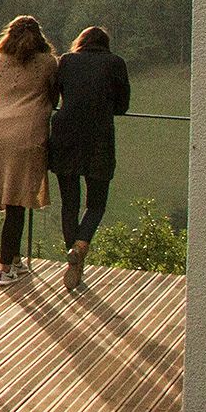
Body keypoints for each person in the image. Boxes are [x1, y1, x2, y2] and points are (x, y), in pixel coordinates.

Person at [49, 25, 131, 294]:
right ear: (105, 45)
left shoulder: (66, 61)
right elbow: (122, 105)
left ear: (80, 43)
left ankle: (73, 256)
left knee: (69, 204)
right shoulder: (115, 63)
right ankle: (81, 245)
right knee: (96, 204)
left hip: (65, 135)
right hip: (98, 138)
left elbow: (54, 97)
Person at [0, 15, 58, 286]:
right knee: (19, 198)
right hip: (27, 132)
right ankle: (4, 267)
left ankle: (14, 259)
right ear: (39, 36)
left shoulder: (1, 58)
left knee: (11, 197)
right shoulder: (49, 63)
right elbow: (53, 95)